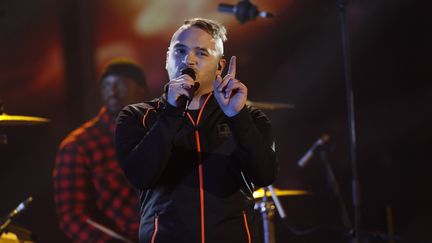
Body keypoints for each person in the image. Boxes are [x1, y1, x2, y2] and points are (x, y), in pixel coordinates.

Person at [115, 18, 278, 243]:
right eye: (180, 50)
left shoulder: (249, 117)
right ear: (167, 58)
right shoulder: (137, 116)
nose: (188, 60)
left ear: (220, 66)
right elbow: (140, 176)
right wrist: (171, 112)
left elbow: (264, 174)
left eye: (201, 53)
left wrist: (237, 117)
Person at [53, 58, 148, 243]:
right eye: (106, 85)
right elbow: (71, 217)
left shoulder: (160, 133)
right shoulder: (78, 145)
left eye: (120, 84)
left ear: (141, 90)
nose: (112, 92)